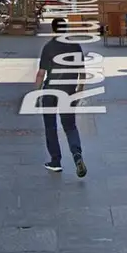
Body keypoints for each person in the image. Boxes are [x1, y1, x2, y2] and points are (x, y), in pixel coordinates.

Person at [35, 19, 86, 177]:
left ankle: (55, 161)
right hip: (68, 91)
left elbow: (41, 73)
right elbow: (82, 73)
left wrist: (36, 93)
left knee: (50, 126)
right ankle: (77, 155)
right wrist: (79, 90)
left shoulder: (48, 47)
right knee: (70, 126)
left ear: (53, 29)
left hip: (50, 91)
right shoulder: (76, 47)